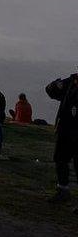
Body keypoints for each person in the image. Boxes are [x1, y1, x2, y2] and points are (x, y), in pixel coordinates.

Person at [46, 71, 78, 206]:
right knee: (60, 159)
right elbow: (52, 91)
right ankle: (63, 190)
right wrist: (53, 85)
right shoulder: (72, 81)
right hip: (65, 129)